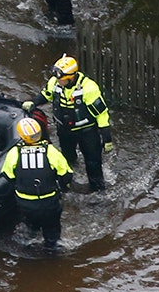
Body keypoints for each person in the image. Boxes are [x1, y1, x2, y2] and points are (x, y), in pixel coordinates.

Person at [23, 54, 113, 192]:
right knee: (67, 157)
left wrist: (106, 138)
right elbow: (46, 94)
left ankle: (98, 191)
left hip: (87, 132)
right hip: (65, 130)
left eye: (62, 79)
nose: (58, 81)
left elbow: (101, 114)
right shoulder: (55, 82)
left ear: (71, 77)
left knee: (93, 163)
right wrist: (34, 102)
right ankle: (69, 181)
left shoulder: (89, 88)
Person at [2, 116, 74, 253]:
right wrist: (64, 189)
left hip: (25, 203)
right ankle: (52, 251)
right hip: (49, 202)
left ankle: (29, 246)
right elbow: (66, 174)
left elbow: (8, 176)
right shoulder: (50, 152)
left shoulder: (14, 153)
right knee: (52, 230)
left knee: (30, 227)